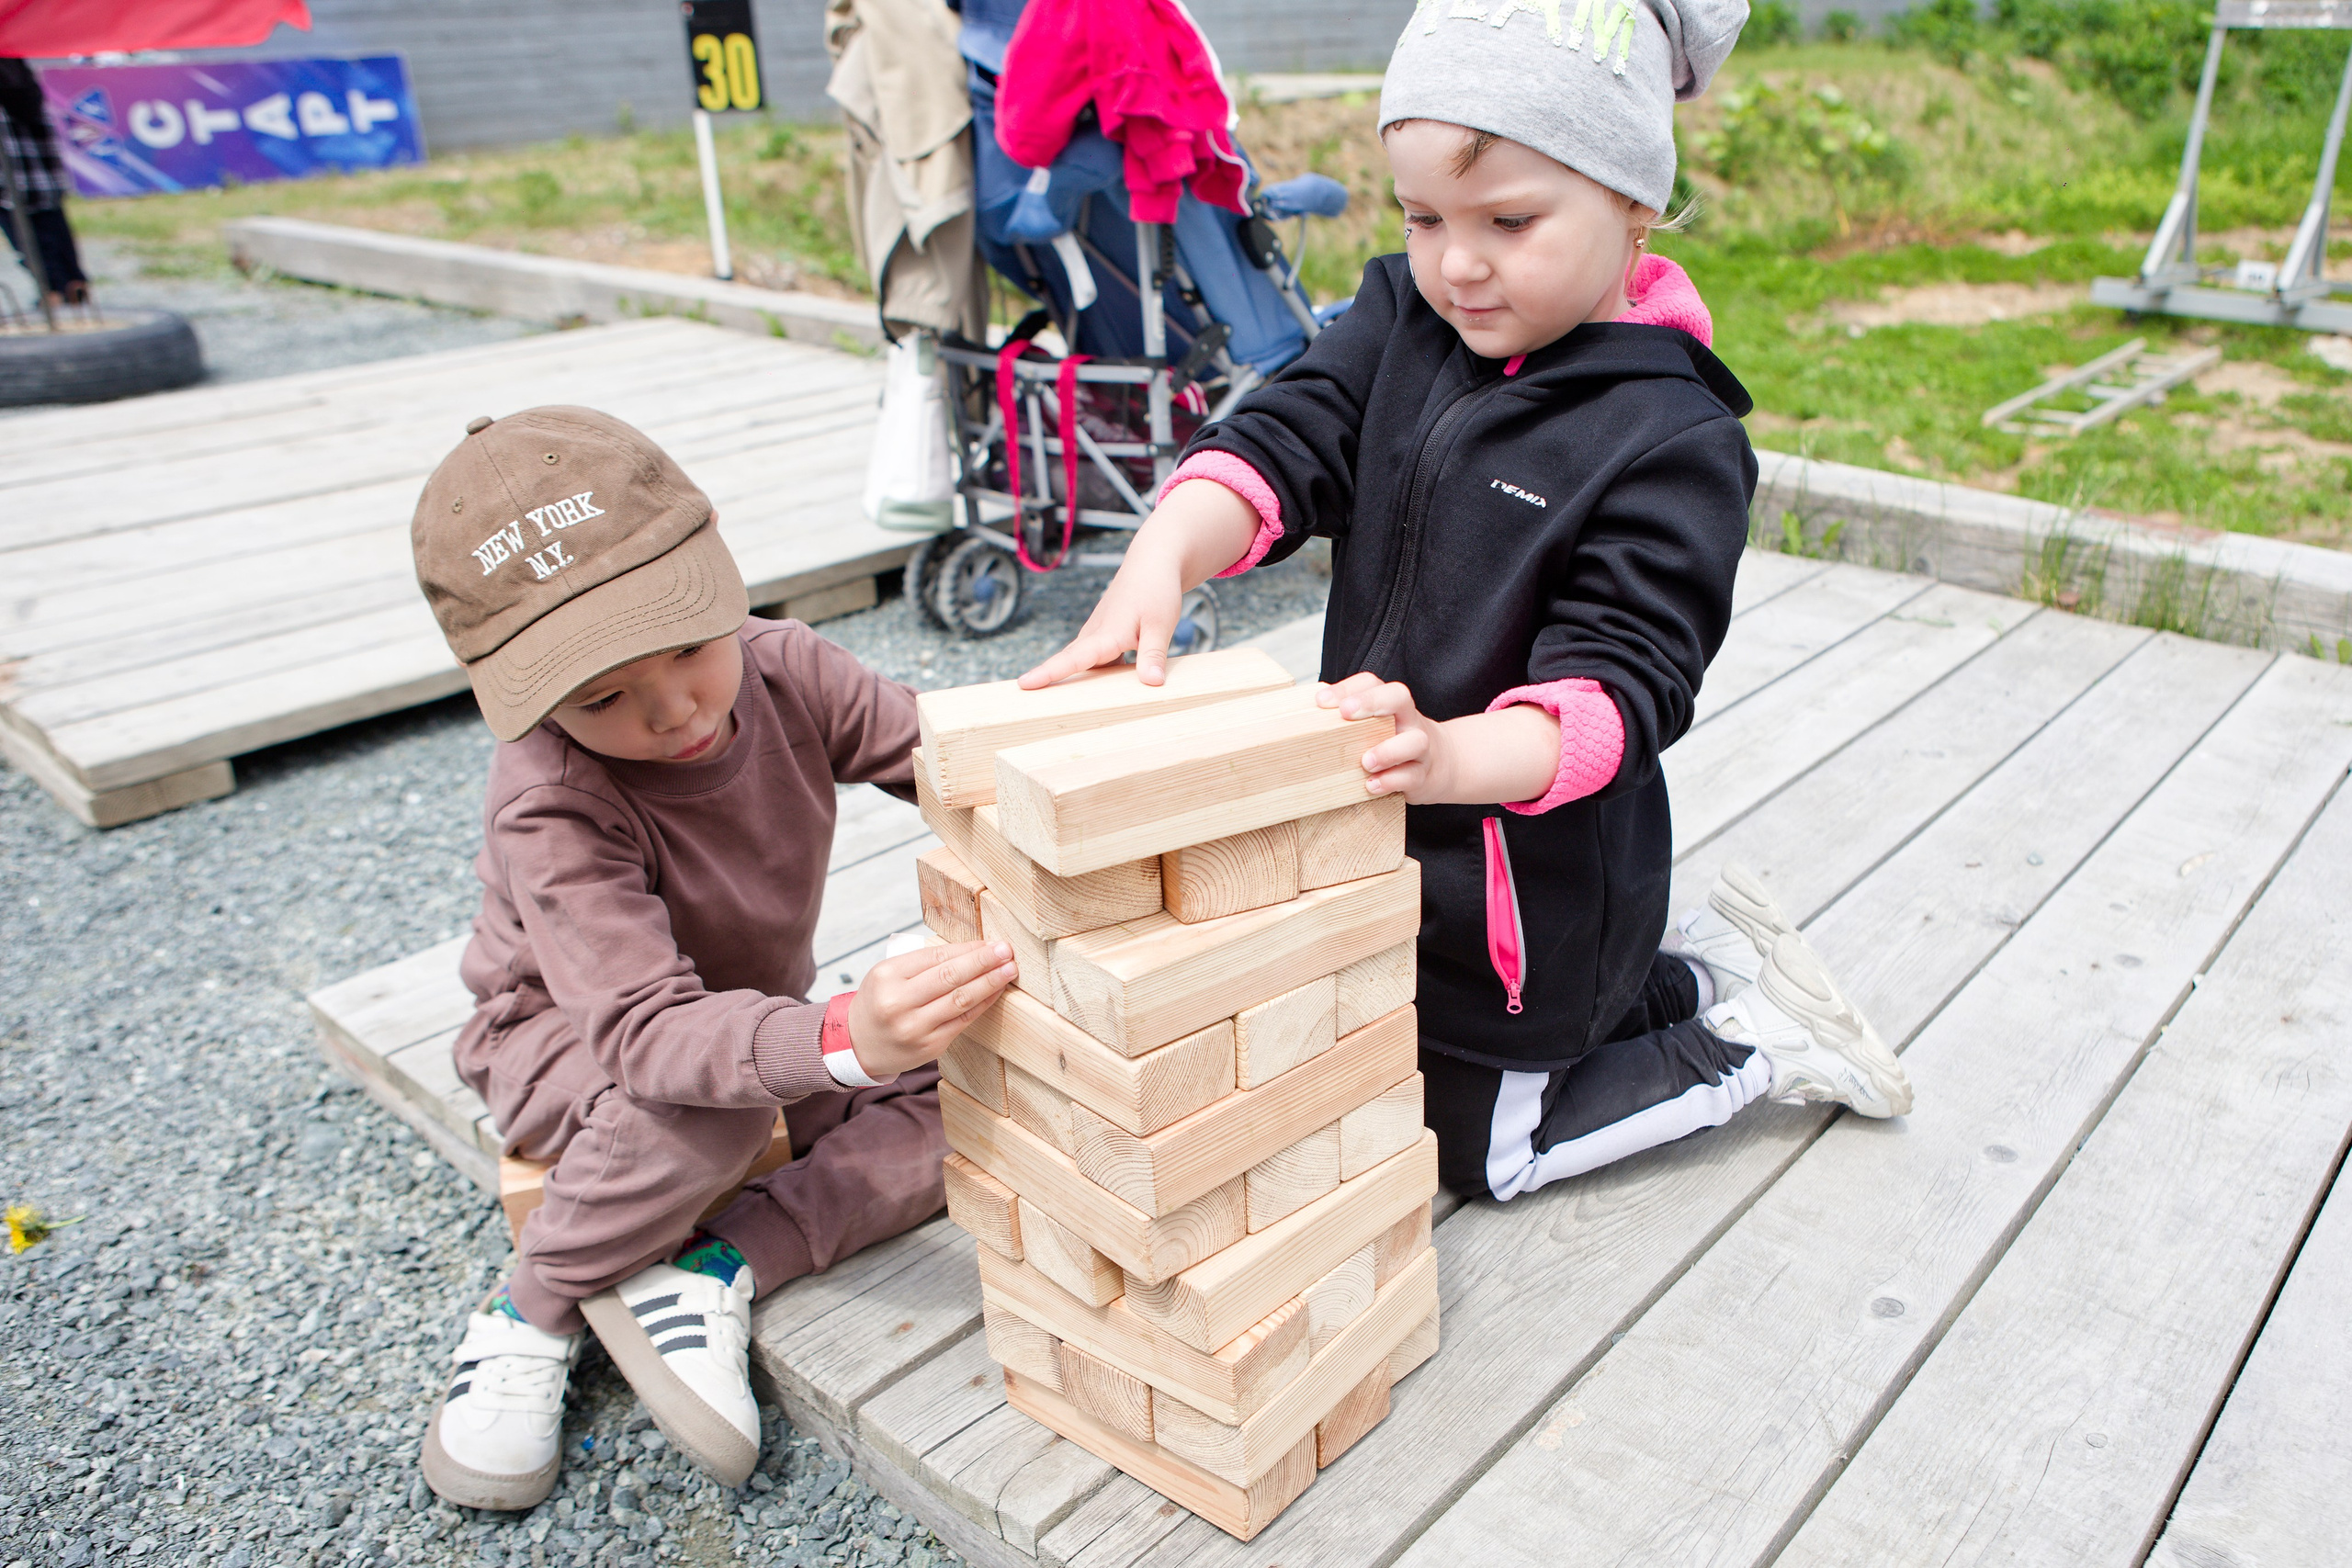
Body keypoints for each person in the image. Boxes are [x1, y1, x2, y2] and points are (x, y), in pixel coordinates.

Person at [1021, 0, 1912, 1205]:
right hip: (1390, 842)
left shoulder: (1670, 436)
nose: (1457, 263)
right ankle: (1691, 974)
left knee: (1474, 1149)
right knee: (1363, 1048)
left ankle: (1753, 1046)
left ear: (1634, 200)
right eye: (1422, 215)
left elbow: (1620, 687)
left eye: (1509, 221)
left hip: (1527, 898)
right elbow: (1297, 434)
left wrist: (1447, 754)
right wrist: (1169, 548)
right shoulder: (1407, 318)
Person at [405, 406, 1017, 1510]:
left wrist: (1073, 768)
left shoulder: (787, 671)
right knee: (715, 1103)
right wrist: (840, 1038)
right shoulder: (551, 803)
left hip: (739, 1019)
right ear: (520, 695)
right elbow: (644, 1035)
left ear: (716, 575)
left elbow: (948, 757)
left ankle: (717, 1265)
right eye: (601, 697)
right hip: (563, 1042)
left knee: (989, 1077)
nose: (673, 707)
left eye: (687, 645)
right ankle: (530, 1309)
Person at [0, 60, 90, 307]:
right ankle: (72, 282)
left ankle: (54, 290)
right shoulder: (13, 64)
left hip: (13, 173)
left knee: (25, 233)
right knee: (51, 224)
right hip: (39, 169)